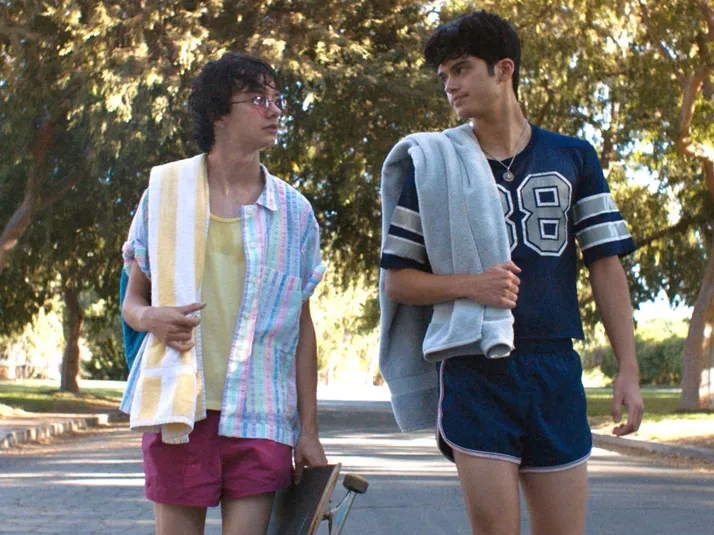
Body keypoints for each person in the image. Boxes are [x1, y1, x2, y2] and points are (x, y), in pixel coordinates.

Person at [378, 11, 644, 535]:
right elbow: (397, 281)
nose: (450, 85)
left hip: (554, 368)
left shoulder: (573, 156)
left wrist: (628, 370)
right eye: (444, 76)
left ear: (504, 69)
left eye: (461, 69)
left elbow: (605, 265)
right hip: (475, 370)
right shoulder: (433, 165)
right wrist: (472, 286)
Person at [120, 53, 327, 535]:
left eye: (277, 99)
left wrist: (309, 432)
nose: (275, 110)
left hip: (262, 416)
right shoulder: (165, 193)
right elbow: (132, 302)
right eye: (258, 99)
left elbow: (302, 330)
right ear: (217, 113)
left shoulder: (295, 213)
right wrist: (151, 319)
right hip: (179, 409)